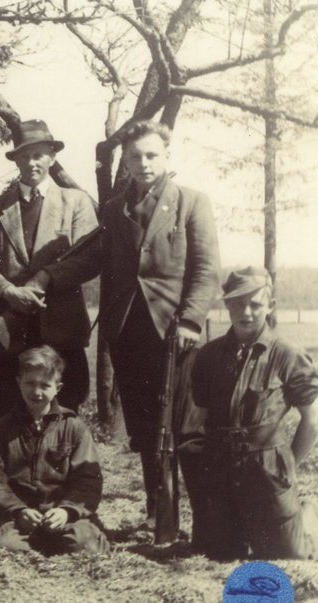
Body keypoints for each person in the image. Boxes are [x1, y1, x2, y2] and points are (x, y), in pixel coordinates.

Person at [100, 120, 220, 529]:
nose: (144, 163)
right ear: (125, 160)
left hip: (175, 331)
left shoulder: (191, 202)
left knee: (183, 427)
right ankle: (157, 512)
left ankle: (203, 517)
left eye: (152, 155)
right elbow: (111, 271)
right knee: (145, 427)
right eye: (135, 156)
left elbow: (205, 269)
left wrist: (191, 321)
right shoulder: (113, 209)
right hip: (128, 329)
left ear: (166, 156)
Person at [0, 120, 99, 419]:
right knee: (7, 417)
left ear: (52, 157)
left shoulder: (76, 202)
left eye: (39, 155)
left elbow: (90, 257)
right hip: (8, 336)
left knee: (63, 419)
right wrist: (9, 292)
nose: (31, 163)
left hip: (62, 333)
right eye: (24, 156)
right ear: (15, 160)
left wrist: (47, 277)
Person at [191, 267, 318, 559]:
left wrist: (287, 467)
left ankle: (308, 514)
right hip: (221, 471)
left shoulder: (288, 355)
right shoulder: (208, 356)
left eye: (255, 304)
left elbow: (312, 421)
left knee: (288, 554)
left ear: (270, 306)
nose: (246, 312)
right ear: (226, 305)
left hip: (267, 473)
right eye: (238, 304)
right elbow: (200, 418)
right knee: (217, 553)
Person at [0, 345, 109, 555]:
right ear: (18, 382)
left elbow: (88, 480)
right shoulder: (2, 429)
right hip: (18, 515)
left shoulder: (74, 427)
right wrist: (18, 510)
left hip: (62, 514)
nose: (36, 392)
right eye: (30, 383)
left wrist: (67, 511)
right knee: (5, 546)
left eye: (45, 385)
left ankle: (65, 537)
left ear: (58, 388)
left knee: (83, 542)